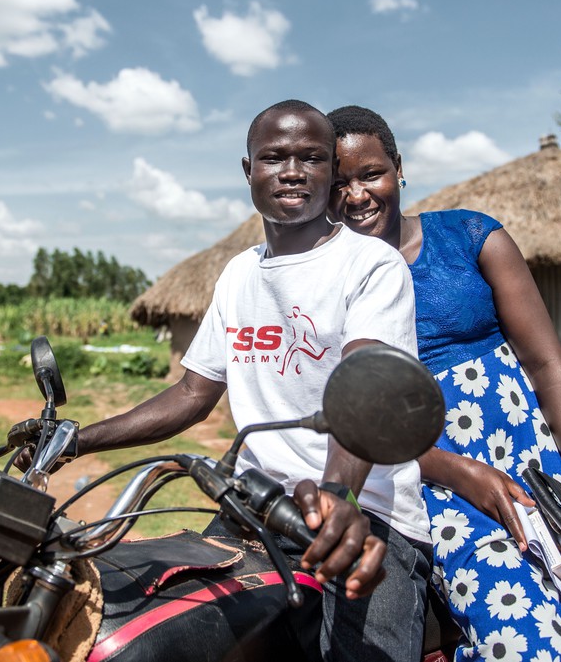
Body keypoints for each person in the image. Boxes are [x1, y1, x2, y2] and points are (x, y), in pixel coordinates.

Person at [72, 100, 432, 662]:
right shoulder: (239, 272)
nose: (292, 170)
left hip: (363, 518)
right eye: (274, 157)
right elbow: (193, 394)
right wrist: (78, 439)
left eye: (311, 158)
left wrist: (339, 496)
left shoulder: (369, 266)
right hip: (253, 509)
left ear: (329, 174)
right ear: (248, 171)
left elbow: (367, 385)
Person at [327, 105, 561, 662]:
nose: (356, 195)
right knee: (515, 632)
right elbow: (355, 414)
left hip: (531, 459)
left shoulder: (471, 237)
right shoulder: (326, 282)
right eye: (338, 184)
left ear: (399, 168)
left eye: (370, 173)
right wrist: (459, 472)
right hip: (426, 476)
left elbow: (546, 363)